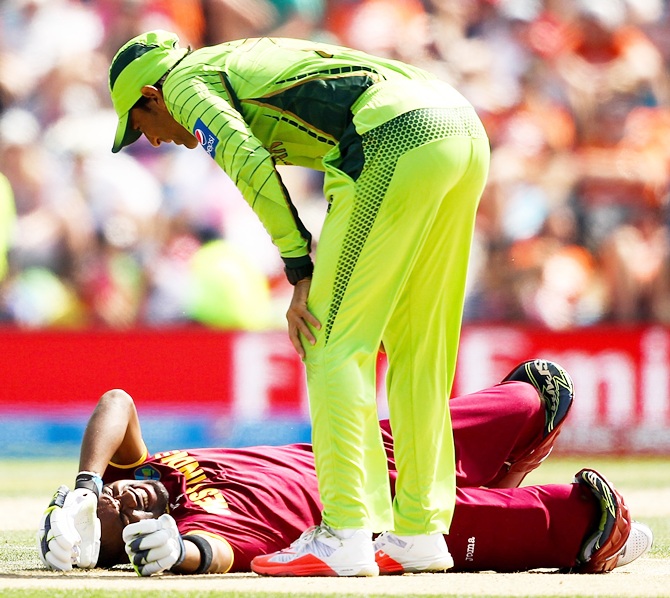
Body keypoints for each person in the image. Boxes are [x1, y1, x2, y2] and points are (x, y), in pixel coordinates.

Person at [108, 29, 491, 576]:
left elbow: (248, 165)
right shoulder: (227, 62)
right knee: (418, 346)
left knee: (329, 343)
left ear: (151, 93)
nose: (150, 139)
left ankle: (344, 532)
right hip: (461, 129)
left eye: (139, 124)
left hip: (394, 136)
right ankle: (420, 530)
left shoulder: (185, 84)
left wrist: (299, 267)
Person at [37, 359, 653, 576]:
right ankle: (588, 538)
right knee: (589, 518)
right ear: (128, 545)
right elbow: (214, 556)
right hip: (368, 515)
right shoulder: (200, 526)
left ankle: (507, 461)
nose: (118, 503)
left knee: (538, 393)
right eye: (113, 522)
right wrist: (176, 558)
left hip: (360, 448)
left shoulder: (148, 473)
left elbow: (116, 402)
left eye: (109, 499)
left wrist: (88, 486)